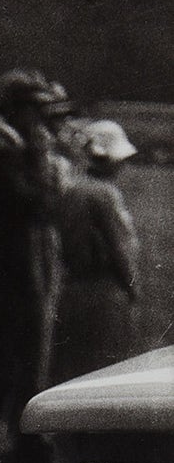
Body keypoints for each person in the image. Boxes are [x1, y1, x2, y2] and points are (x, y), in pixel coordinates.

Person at [0, 69, 72, 463]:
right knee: (6, 362)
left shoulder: (6, 150)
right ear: (17, 110)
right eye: (34, 110)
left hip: (9, 270)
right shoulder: (3, 154)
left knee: (6, 361)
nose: (40, 120)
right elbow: (37, 205)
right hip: (7, 274)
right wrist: (41, 161)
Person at [48, 119, 140, 386]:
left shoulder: (69, 188)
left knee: (71, 366)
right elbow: (120, 247)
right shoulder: (105, 194)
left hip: (72, 287)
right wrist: (133, 286)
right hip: (104, 289)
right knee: (103, 367)